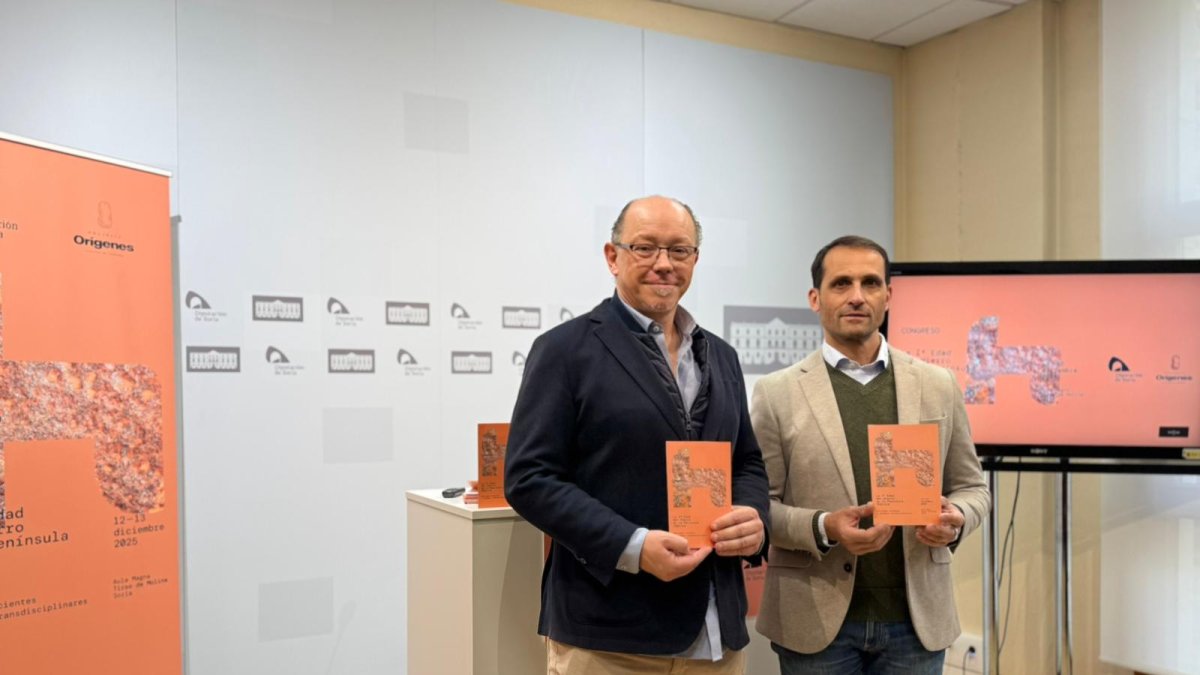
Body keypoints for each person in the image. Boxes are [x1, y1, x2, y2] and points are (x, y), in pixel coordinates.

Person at [505, 195, 769, 674]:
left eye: (679, 250)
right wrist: (632, 545)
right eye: (645, 248)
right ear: (613, 257)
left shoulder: (722, 356)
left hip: (717, 639)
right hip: (611, 639)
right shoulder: (565, 350)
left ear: (694, 260)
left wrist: (755, 517)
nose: (663, 263)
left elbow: (746, 460)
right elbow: (530, 478)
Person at [751, 235, 990, 674]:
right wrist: (825, 526)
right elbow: (758, 507)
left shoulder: (938, 384)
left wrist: (956, 516)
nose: (857, 296)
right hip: (815, 619)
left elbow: (973, 488)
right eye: (841, 283)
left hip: (916, 623)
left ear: (888, 296)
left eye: (871, 283)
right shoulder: (776, 393)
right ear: (815, 298)